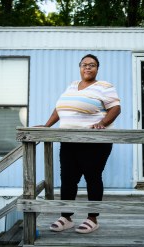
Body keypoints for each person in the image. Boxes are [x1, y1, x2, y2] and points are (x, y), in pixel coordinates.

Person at [38, 54, 121, 234]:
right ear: (80, 67)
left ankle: (92, 218)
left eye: (92, 65)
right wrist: (46, 126)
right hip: (69, 141)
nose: (88, 68)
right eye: (84, 65)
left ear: (97, 68)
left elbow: (115, 108)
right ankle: (66, 217)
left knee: (92, 177)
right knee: (68, 178)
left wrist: (103, 123)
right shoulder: (71, 86)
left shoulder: (104, 87)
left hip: (94, 141)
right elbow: (60, 109)